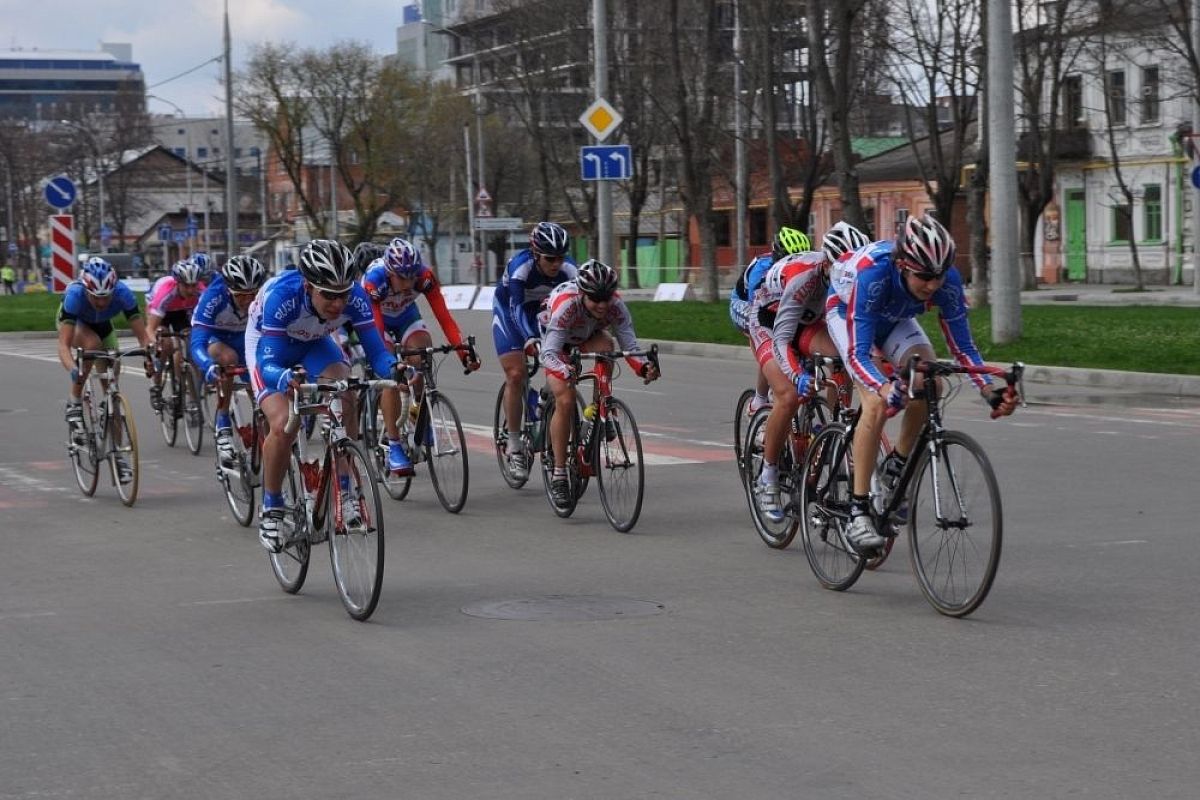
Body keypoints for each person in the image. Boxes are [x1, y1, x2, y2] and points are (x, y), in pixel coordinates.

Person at [825, 214, 1019, 554]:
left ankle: (896, 465)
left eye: (939, 276)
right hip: (847, 311)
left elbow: (964, 347)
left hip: (895, 317)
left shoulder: (947, 281)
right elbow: (858, 354)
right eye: (924, 277)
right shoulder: (873, 274)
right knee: (874, 403)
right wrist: (884, 388)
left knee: (930, 382)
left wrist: (990, 391)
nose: (933, 284)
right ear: (902, 265)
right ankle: (857, 510)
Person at [248, 239, 399, 554]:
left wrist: (395, 369)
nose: (338, 304)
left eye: (343, 295)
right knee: (282, 424)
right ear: (308, 286)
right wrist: (285, 377)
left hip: (315, 342)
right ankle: (272, 506)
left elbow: (376, 352)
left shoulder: (355, 297)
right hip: (270, 347)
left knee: (346, 391)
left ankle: (345, 489)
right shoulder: (282, 297)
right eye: (329, 295)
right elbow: (269, 362)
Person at [539, 259, 660, 509]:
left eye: (607, 298)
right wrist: (564, 370)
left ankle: (600, 409)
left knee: (607, 347)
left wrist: (643, 367)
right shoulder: (567, 306)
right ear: (583, 294)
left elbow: (630, 347)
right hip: (557, 344)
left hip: (586, 337)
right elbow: (547, 353)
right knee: (565, 398)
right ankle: (559, 474)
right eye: (596, 299)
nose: (603, 305)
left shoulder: (615, 306)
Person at [360, 236, 479, 476]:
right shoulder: (375, 281)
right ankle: (394, 446)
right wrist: (391, 362)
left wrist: (462, 353)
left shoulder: (424, 277)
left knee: (423, 353)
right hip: (376, 320)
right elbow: (377, 330)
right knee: (391, 376)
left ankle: (420, 413)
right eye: (402, 277)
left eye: (412, 276)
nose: (408, 282)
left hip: (405, 316)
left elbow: (444, 317)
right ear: (390, 272)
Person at [746, 247, 836, 523]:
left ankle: (827, 431)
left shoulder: (855, 277)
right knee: (787, 396)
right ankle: (768, 475)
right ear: (826, 265)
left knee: (841, 358)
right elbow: (782, 340)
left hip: (806, 320)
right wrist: (798, 376)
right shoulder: (804, 277)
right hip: (769, 323)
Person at [492, 221, 578, 481]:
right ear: (535, 254)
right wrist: (530, 339)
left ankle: (543, 398)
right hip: (510, 313)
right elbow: (517, 308)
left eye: (560, 258)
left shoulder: (570, 269)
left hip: (544, 313)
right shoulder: (521, 267)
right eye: (550, 258)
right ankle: (515, 444)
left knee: (562, 366)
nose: (556, 264)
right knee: (517, 374)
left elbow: (578, 305)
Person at [56, 257, 154, 483]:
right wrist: (74, 370)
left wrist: (151, 358)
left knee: (113, 376)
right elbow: (63, 345)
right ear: (87, 290)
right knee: (91, 346)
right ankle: (74, 401)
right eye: (96, 298)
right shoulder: (75, 296)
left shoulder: (123, 294)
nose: (101, 303)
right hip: (77, 324)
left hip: (104, 326)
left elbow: (143, 337)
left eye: (106, 297)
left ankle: (118, 453)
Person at [189, 254, 268, 467]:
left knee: (262, 379)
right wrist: (207, 365)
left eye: (253, 294)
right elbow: (197, 343)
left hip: (245, 339)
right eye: (241, 295)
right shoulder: (214, 296)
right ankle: (223, 426)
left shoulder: (265, 297)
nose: (248, 301)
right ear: (229, 290)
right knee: (228, 358)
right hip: (217, 338)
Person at [728, 226, 812, 415]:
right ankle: (758, 401)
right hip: (744, 304)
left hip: (777, 305)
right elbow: (759, 312)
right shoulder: (762, 268)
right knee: (769, 342)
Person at [146, 259, 206, 411]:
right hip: (163, 313)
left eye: (194, 285)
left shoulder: (201, 290)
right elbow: (149, 329)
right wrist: (155, 346)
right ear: (178, 283)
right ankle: (156, 387)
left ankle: (193, 400)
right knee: (165, 344)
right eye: (187, 286)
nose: (191, 290)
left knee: (193, 348)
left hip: (182, 312)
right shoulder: (166, 291)